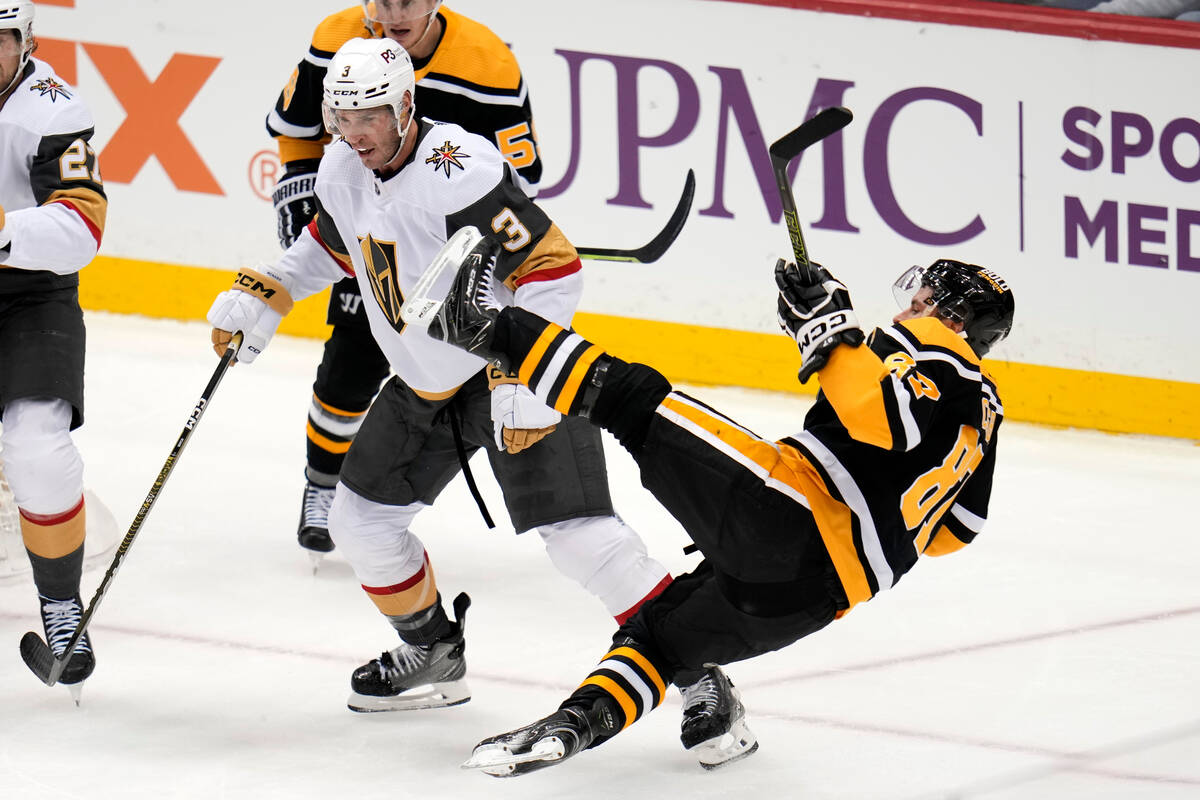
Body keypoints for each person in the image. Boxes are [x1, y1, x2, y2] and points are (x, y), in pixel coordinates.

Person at [210, 37, 754, 766]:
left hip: (508, 361)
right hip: (425, 381)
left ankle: (702, 675)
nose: (354, 131)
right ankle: (432, 651)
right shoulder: (342, 163)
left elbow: (552, 269)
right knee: (360, 520)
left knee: (581, 537)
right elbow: (329, 247)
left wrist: (522, 378)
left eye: (369, 113)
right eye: (341, 116)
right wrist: (266, 292)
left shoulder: (459, 169)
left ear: (406, 103)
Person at [410, 231, 1014, 775]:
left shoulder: (933, 347)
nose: (910, 307)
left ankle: (482, 327)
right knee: (660, 640)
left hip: (789, 514)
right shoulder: (984, 413)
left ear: (950, 317)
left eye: (924, 299)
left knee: (631, 398)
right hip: (814, 600)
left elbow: (883, 418)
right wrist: (821, 331)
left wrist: (831, 330)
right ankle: (575, 726)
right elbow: (953, 532)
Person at [266, 0, 542, 557]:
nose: (390, 11)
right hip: (368, 224)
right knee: (349, 364)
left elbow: (520, 173)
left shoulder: (488, 62)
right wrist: (302, 187)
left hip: (447, 245)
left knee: (458, 361)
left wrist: (475, 220)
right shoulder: (337, 38)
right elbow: (299, 128)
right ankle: (321, 486)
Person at [0, 0, 107, 702]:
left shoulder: (53, 109)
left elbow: (80, 227)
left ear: (25, 42)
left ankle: (62, 603)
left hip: (29, 297)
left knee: (36, 446)